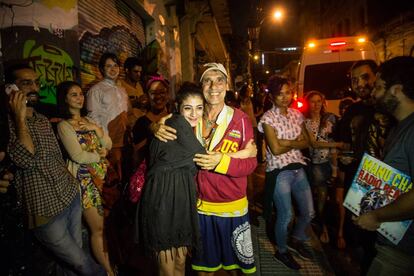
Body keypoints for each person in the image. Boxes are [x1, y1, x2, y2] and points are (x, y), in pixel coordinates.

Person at [153, 63, 258, 274]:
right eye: (208, 80)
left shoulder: (240, 120)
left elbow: (251, 162)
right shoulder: (190, 118)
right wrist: (154, 126)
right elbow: (164, 127)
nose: (214, 86)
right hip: (198, 207)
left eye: (219, 80)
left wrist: (222, 162)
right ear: (201, 86)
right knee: (204, 269)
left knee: (236, 268)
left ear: (227, 85)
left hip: (232, 207)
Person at [5, 63, 105, 275]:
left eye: (36, 82)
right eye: (26, 83)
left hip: (69, 196)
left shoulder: (42, 120)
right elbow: (26, 159)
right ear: (10, 88)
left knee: (69, 264)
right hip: (44, 210)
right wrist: (19, 117)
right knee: (83, 264)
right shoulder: (9, 124)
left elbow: (57, 157)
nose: (34, 87)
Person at [353, 56, 414, 275]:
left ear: (396, 90)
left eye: (379, 87)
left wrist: (377, 216)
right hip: (391, 243)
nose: (374, 92)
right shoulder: (399, 127)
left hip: (402, 254)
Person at [336, 60, 394, 272]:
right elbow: (346, 146)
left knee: (385, 243)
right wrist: (344, 160)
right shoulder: (352, 111)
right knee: (360, 238)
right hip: (359, 185)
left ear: (376, 76)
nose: (360, 83)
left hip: (389, 186)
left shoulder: (391, 107)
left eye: (365, 77)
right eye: (354, 80)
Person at [56, 81, 114, 276]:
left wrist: (97, 130)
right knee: (97, 229)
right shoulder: (64, 126)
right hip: (85, 182)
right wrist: (100, 155)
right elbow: (77, 156)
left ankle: (110, 265)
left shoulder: (89, 120)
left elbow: (109, 144)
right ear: (64, 99)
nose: (79, 97)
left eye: (81, 94)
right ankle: (107, 271)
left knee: (107, 227)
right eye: (73, 94)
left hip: (105, 180)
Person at [258, 75, 314, 270]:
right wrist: (293, 142)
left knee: (308, 212)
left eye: (288, 92)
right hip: (279, 171)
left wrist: (285, 142)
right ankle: (281, 251)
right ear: (272, 96)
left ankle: (296, 239)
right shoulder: (267, 118)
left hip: (298, 168)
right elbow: (274, 149)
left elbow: (307, 142)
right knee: (286, 215)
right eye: (279, 94)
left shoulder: (297, 115)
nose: (285, 97)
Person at [303, 90, 344, 244]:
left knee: (334, 198)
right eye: (312, 101)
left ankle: (336, 230)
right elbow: (313, 143)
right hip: (317, 165)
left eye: (318, 101)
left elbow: (334, 140)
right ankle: (323, 227)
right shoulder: (305, 122)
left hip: (331, 162)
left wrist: (335, 167)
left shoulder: (330, 119)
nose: (316, 105)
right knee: (320, 196)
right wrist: (337, 144)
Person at [87, 52, 129, 182]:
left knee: (125, 177)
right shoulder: (96, 90)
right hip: (109, 142)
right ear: (101, 69)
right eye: (108, 66)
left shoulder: (122, 90)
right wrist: (104, 142)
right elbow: (93, 118)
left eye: (115, 65)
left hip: (125, 141)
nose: (113, 69)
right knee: (111, 180)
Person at [132, 75, 171, 167]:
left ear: (168, 94)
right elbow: (136, 156)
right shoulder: (141, 123)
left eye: (162, 92)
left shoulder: (175, 117)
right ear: (147, 96)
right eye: (153, 93)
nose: (158, 96)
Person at [119, 57, 147, 128]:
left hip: (142, 123)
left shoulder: (139, 85)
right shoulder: (119, 85)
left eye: (140, 72)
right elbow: (117, 107)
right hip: (128, 126)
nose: (139, 75)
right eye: (135, 72)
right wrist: (135, 102)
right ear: (127, 70)